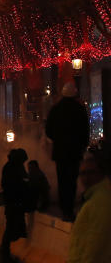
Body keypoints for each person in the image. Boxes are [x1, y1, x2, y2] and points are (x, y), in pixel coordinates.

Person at [45, 81, 90, 220]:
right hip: (75, 152)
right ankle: (70, 208)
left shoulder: (55, 109)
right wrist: (82, 146)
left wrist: (58, 140)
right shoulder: (80, 109)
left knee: (62, 179)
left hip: (60, 152)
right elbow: (85, 131)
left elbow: (49, 131)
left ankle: (64, 208)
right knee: (72, 179)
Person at [67, 151, 111, 263]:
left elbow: (95, 244)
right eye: (82, 173)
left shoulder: (100, 201)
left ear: (101, 173)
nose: (86, 178)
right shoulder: (94, 198)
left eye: (91, 173)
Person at [0, 148, 29, 262]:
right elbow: (13, 184)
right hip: (13, 202)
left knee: (12, 227)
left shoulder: (13, 166)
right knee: (10, 228)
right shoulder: (12, 167)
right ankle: (5, 254)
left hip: (14, 202)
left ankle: (6, 253)